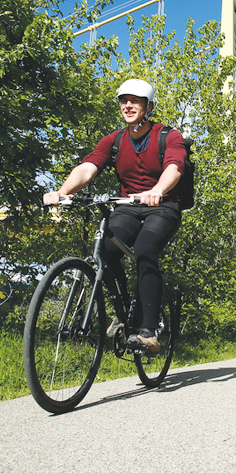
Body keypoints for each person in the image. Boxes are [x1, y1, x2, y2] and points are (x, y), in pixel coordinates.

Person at [43, 78, 188, 354]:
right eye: (124, 101)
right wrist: (62, 191)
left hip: (163, 204)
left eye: (135, 101)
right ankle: (123, 315)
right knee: (106, 250)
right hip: (128, 205)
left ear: (149, 106)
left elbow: (175, 166)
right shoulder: (115, 140)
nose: (128, 105)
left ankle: (149, 329)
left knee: (145, 248)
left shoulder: (168, 136)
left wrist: (157, 189)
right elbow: (88, 167)